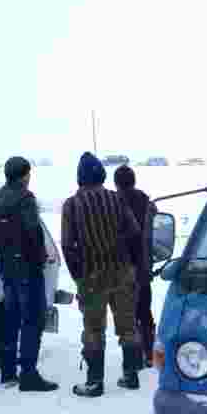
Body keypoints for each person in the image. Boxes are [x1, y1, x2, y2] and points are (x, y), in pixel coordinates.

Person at [61, 152, 143, 397]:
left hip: (92, 277)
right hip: (121, 272)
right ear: (102, 176)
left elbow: (67, 245)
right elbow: (135, 232)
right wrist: (131, 263)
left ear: (80, 179)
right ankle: (131, 375)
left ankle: (95, 382)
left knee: (94, 330)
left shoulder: (72, 205)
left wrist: (79, 276)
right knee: (128, 326)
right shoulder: (116, 200)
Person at [0, 156, 59, 392]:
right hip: (27, 267)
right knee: (33, 320)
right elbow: (33, 233)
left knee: (11, 318)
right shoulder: (26, 198)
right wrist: (40, 257)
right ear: (24, 175)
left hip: (7, 266)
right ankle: (29, 374)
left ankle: (8, 373)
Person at [113, 164, 158, 368]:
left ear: (116, 183)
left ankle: (134, 357)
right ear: (134, 180)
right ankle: (149, 353)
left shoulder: (114, 202)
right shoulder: (146, 201)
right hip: (143, 265)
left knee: (127, 313)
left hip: (123, 266)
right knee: (145, 311)